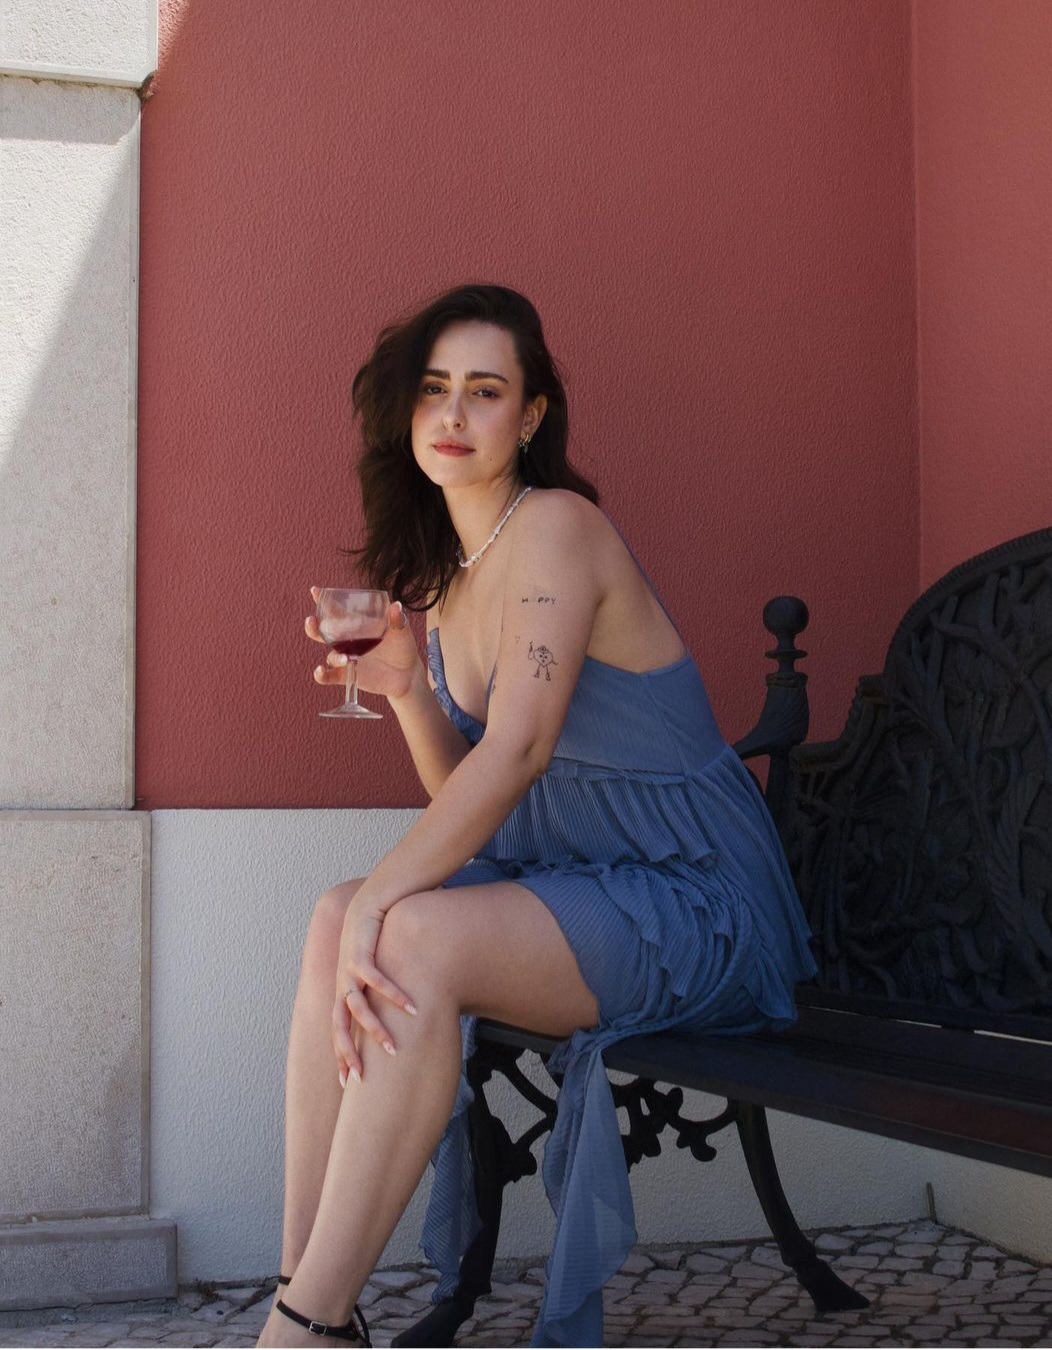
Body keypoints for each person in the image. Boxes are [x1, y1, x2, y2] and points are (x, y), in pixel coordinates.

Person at [257, 284, 817, 1349]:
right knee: (336, 917)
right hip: (575, 885)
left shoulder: (558, 528)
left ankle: (301, 1331)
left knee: (401, 929)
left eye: (485, 390)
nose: (452, 414)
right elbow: (471, 793)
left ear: (532, 415)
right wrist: (408, 691)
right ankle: (309, 1290)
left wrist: (387, 899)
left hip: (694, 901)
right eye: (434, 389)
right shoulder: (447, 575)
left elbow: (519, 754)